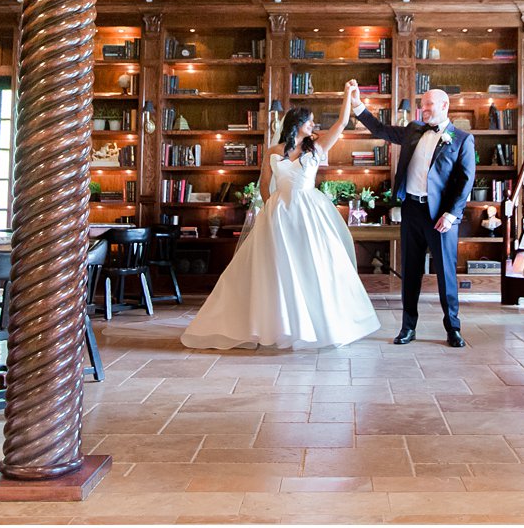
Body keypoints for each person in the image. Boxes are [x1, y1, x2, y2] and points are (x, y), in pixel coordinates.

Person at [180, 85, 380, 350]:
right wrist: (271, 205)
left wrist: (347, 95)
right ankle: (280, 324)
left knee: (313, 265)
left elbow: (343, 122)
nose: (313, 124)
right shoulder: (274, 151)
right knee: (277, 268)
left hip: (309, 212)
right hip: (279, 213)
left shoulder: (316, 148)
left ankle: (319, 325)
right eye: (309, 121)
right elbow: (265, 183)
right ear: (296, 124)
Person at [347, 81, 475, 347]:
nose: (423, 109)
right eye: (422, 104)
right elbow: (380, 129)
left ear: (443, 106)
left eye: (428, 104)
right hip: (412, 211)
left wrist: (451, 214)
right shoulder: (413, 130)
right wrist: (358, 104)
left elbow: (466, 181)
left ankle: (453, 328)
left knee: (446, 273)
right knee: (411, 271)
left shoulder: (462, 139)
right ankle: (408, 327)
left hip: (441, 216)